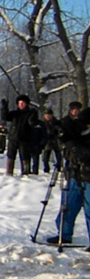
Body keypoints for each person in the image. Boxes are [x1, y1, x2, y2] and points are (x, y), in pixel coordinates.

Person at [48, 101, 84, 245]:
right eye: (73, 109)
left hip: (82, 169)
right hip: (75, 168)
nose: (75, 112)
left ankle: (65, 233)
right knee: (69, 203)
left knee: (79, 203)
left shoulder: (81, 124)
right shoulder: (67, 122)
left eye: (77, 110)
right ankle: (64, 233)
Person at [59, 107, 90, 251]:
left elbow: (84, 153)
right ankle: (64, 234)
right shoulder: (78, 134)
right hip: (75, 174)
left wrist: (79, 149)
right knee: (68, 206)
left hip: (88, 177)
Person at [0, 95, 38, 176]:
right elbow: (5, 117)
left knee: (25, 156)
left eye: (23, 103)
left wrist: (34, 114)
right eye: (20, 103)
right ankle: (9, 173)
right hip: (13, 138)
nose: (21, 105)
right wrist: (4, 107)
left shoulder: (30, 113)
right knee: (10, 156)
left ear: (26, 104)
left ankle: (25, 173)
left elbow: (33, 123)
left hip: (25, 139)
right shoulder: (15, 114)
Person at [41, 108, 62, 173]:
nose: (48, 116)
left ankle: (59, 168)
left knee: (58, 156)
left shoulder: (56, 122)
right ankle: (46, 169)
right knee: (45, 158)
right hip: (47, 141)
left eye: (49, 115)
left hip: (55, 141)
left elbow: (60, 130)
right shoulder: (43, 123)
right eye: (46, 115)